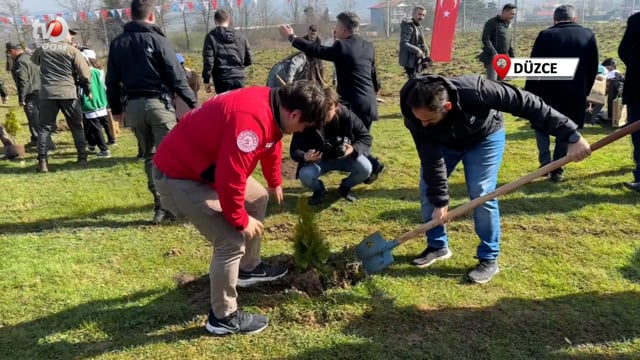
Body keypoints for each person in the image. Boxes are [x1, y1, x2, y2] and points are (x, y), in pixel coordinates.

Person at [152, 81, 328, 335]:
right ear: (295, 114)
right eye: (303, 127)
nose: (299, 132)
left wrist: (274, 181)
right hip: (178, 176)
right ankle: (222, 318)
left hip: (206, 166)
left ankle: (248, 268)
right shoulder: (249, 123)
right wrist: (241, 221)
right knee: (230, 241)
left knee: (257, 198)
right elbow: (230, 177)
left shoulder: (272, 103)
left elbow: (273, 139)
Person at [400, 75, 592, 284]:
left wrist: (571, 135)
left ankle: (489, 258)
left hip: (484, 138)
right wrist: (440, 201)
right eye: (420, 120)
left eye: (429, 120)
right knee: (429, 188)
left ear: (446, 106)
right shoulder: (415, 114)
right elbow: (430, 158)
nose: (423, 124)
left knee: (482, 193)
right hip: (443, 145)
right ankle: (437, 246)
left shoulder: (477, 91)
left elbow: (529, 104)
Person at [106, 0, 198, 223]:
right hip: (159, 105)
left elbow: (111, 81)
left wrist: (117, 110)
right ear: (151, 16)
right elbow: (177, 77)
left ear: (130, 15)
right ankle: (175, 206)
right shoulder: (159, 41)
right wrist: (195, 106)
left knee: (150, 157)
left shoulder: (118, 43)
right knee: (171, 156)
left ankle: (160, 206)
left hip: (134, 107)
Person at [279, 12, 385, 185]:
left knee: (353, 139)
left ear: (343, 29)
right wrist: (376, 90)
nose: (334, 31)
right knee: (359, 137)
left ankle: (370, 166)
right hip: (368, 102)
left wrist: (292, 37)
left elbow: (317, 50)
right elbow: (373, 73)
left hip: (353, 103)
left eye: (336, 27)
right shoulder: (368, 46)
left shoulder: (342, 46)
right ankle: (369, 166)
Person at [524, 5, 598, 183]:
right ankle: (557, 168)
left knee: (541, 124)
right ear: (574, 18)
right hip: (575, 91)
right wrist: (585, 91)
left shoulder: (546, 35)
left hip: (547, 91)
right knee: (566, 127)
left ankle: (544, 163)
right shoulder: (588, 35)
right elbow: (593, 68)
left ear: (554, 19)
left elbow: (534, 67)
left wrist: (530, 94)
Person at [291, 88, 372, 205]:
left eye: (328, 110)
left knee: (366, 168)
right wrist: (305, 156)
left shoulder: (348, 117)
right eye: (321, 110)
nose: (323, 115)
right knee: (305, 175)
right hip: (319, 161)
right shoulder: (309, 120)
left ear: (337, 106)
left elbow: (366, 137)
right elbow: (294, 150)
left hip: (344, 158)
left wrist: (353, 149)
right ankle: (319, 190)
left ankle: (345, 187)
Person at [31, 24, 92, 173]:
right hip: (68, 93)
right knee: (76, 126)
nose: (71, 37)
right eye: (70, 34)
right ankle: (82, 157)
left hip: (47, 94)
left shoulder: (42, 49)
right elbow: (84, 74)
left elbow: (35, 61)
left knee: (45, 128)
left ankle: (43, 161)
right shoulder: (72, 50)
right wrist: (87, 88)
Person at [202, 9, 252, 94]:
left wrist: (206, 80)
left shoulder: (211, 37)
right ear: (228, 20)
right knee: (238, 105)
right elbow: (249, 59)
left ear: (215, 21)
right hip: (238, 77)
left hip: (221, 79)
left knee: (225, 106)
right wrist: (239, 68)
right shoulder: (240, 36)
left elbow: (208, 61)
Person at [6, 41, 45, 148]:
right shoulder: (31, 57)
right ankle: (36, 138)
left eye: (9, 52)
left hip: (30, 94)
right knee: (39, 117)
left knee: (34, 118)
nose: (9, 55)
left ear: (13, 51)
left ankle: (41, 141)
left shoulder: (20, 61)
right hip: (40, 91)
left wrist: (21, 98)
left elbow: (23, 80)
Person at [618, 11, 640, 193]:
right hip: (637, 89)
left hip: (638, 87)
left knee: (639, 135)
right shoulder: (636, 20)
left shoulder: (636, 20)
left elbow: (624, 50)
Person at [80, 49, 110, 158]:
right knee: (97, 125)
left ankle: (104, 149)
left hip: (90, 103)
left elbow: (84, 89)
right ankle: (93, 144)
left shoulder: (86, 73)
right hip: (101, 101)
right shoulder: (98, 71)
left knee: (95, 127)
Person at [479, 3, 516, 81]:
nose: (513, 16)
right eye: (511, 14)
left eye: (514, 14)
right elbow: (486, 39)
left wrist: (512, 57)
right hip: (492, 59)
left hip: (504, 59)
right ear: (505, 12)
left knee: (503, 84)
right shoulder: (492, 23)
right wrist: (494, 54)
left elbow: (508, 42)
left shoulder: (508, 25)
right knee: (492, 83)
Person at [399, 6, 430, 79]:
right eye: (419, 14)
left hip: (417, 59)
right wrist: (417, 50)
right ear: (413, 14)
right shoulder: (408, 27)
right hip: (410, 60)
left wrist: (426, 53)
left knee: (417, 79)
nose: (421, 17)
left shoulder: (419, 27)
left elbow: (422, 42)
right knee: (414, 80)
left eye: (423, 15)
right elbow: (403, 43)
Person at [174, 53, 200, 121]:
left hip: (180, 112)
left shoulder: (174, 76)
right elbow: (197, 88)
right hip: (193, 109)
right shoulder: (193, 74)